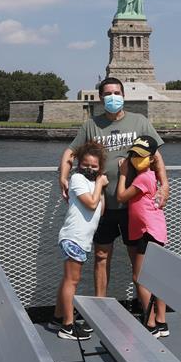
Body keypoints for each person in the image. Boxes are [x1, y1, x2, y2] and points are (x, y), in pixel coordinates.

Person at [59, 76, 169, 299]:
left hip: (133, 206)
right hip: (102, 205)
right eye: (108, 94)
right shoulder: (91, 125)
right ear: (100, 98)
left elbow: (156, 156)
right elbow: (70, 153)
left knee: (137, 259)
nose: (112, 97)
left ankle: (148, 313)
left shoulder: (139, 122)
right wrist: (63, 177)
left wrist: (164, 185)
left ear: (124, 96)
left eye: (116, 93)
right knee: (101, 256)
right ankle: (101, 307)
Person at [52, 141, 109, 341]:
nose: (89, 169)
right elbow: (92, 204)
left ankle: (58, 317)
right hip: (73, 237)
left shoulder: (93, 184)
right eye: (86, 164)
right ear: (79, 165)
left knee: (68, 279)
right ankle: (67, 326)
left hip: (81, 240)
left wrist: (99, 187)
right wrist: (101, 185)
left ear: (100, 167)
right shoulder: (76, 178)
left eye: (94, 166)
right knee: (72, 280)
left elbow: (101, 211)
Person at [116, 135, 169, 337]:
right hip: (151, 230)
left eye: (141, 156)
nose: (135, 159)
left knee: (139, 276)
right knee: (157, 278)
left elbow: (121, 197)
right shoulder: (149, 176)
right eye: (133, 154)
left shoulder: (144, 177)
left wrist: (122, 174)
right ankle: (161, 321)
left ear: (152, 158)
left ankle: (150, 323)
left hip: (148, 231)